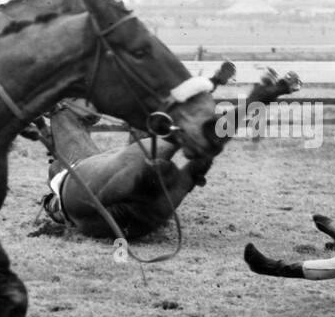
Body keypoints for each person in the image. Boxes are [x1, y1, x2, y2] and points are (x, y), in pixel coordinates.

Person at [35, 64, 302, 240]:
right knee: (190, 147)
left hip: (119, 211)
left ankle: (252, 96)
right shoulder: (66, 160)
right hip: (123, 206)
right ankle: (252, 96)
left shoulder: (66, 163)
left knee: (188, 150)